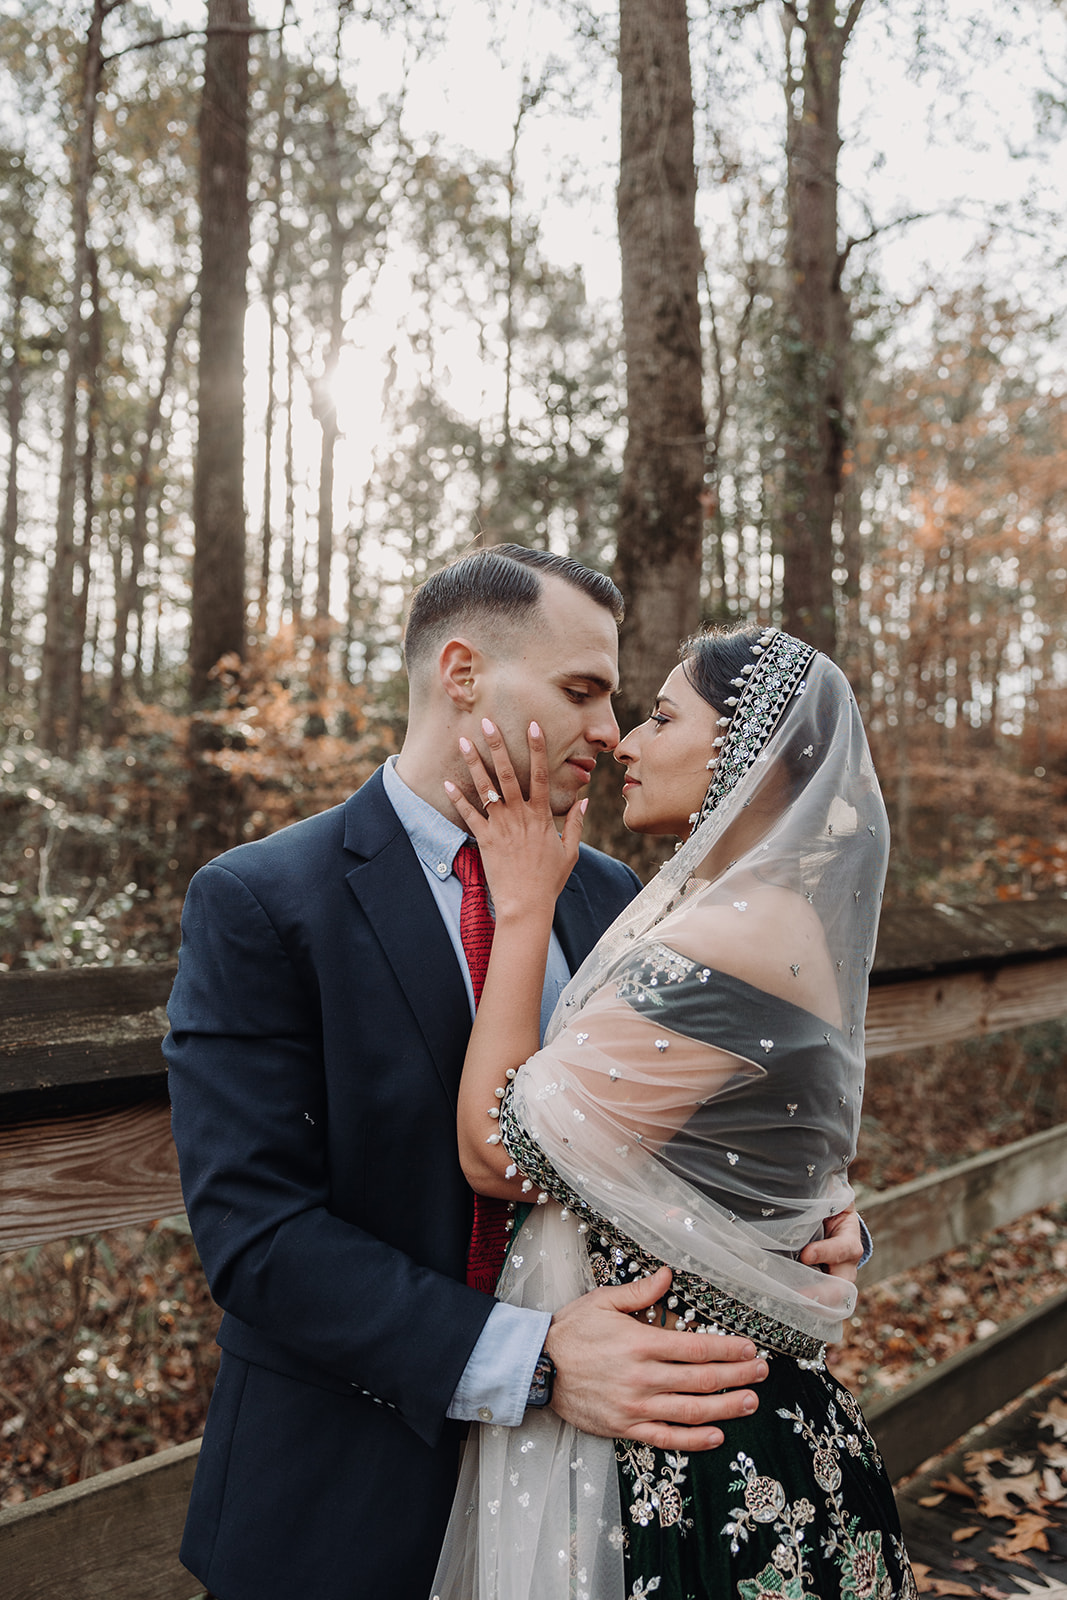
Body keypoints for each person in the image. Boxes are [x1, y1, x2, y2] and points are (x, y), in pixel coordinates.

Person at [165, 549, 863, 1600]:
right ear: (461, 673)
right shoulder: (262, 901)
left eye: (621, 700)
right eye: (580, 689)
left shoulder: (614, 891)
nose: (606, 731)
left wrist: (795, 1222)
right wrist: (531, 1361)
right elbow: (256, 1235)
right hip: (347, 1488)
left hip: (606, 1496)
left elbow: (712, 1119)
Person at [431, 622, 916, 1600]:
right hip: (701, 1396)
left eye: (658, 715)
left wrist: (521, 911)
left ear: (747, 747)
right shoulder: (740, 910)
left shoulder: (736, 932)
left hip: (694, 1441)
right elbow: (759, 1143)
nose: (623, 741)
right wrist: (822, 1217)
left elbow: (496, 1150)